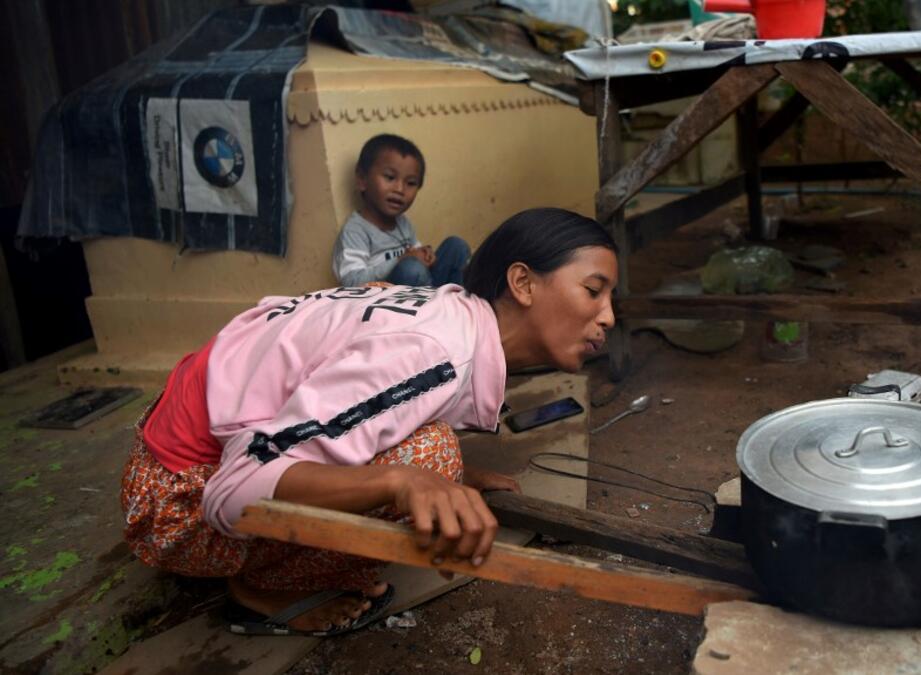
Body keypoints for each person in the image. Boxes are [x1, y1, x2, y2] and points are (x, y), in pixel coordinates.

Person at [122, 208, 617, 636]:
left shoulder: (447, 311)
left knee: (432, 458)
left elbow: (364, 407)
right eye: (594, 291)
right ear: (523, 283)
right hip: (173, 500)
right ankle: (262, 588)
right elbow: (234, 491)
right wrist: (402, 481)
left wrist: (454, 480)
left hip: (194, 443)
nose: (608, 317)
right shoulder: (433, 352)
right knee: (431, 457)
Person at [331, 134, 471, 288]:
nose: (400, 189)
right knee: (411, 269)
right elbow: (351, 282)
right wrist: (399, 260)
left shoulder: (403, 223)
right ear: (362, 179)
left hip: (421, 287)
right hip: (388, 299)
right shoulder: (355, 231)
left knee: (456, 246)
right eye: (390, 177)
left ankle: (457, 299)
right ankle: (437, 302)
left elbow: (415, 255)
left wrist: (425, 254)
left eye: (410, 183)